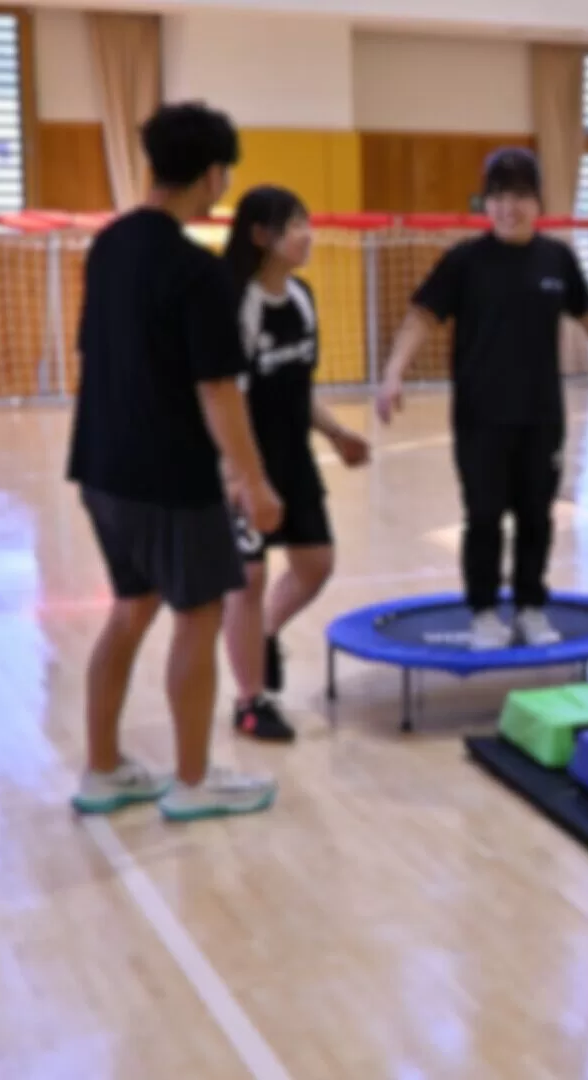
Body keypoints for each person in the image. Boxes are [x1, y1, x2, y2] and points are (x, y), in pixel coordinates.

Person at [65, 101, 280, 822]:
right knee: (199, 614)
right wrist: (252, 480)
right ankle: (192, 781)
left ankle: (103, 771)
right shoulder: (196, 272)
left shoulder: (109, 246)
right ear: (214, 174)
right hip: (171, 477)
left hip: (99, 466)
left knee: (131, 610)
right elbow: (218, 389)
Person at [376, 147, 588, 649]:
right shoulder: (464, 260)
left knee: (536, 516)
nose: (508, 207)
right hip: (480, 416)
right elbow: (422, 317)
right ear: (487, 203)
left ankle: (531, 608)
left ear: (537, 202)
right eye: (498, 197)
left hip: (541, 415)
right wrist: (394, 372)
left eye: (519, 196)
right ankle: (482, 613)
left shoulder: (557, 259)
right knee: (483, 516)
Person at [220, 186, 370, 742]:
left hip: (293, 457)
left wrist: (336, 433)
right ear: (262, 236)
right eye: (296, 225)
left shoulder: (302, 299)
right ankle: (249, 702)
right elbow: (225, 400)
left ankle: (262, 634)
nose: (308, 234)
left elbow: (297, 387)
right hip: (242, 462)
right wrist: (240, 476)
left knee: (316, 564)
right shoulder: (238, 305)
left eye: (308, 222)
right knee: (249, 578)